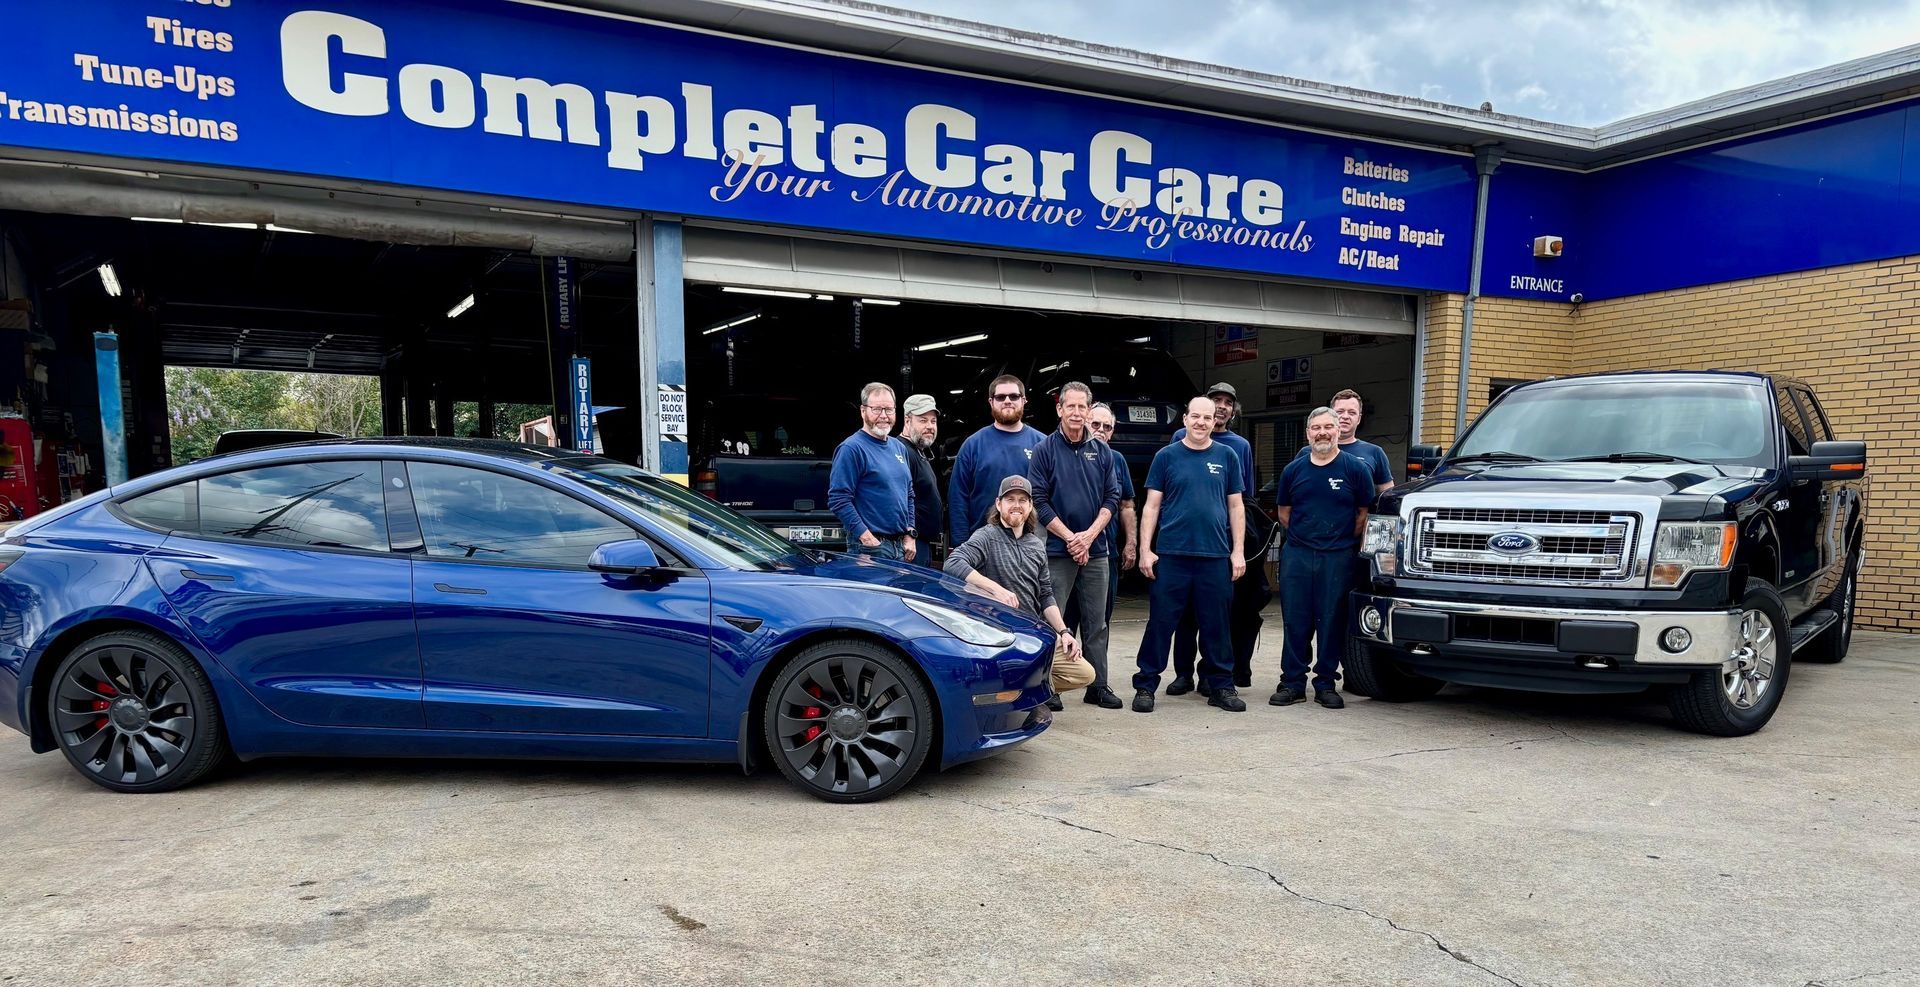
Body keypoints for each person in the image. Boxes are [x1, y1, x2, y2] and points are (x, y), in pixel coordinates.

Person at [1131, 396, 1248, 714]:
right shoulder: (1166, 457)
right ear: (1185, 419)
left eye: (1207, 417)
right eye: (1195, 416)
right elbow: (1151, 506)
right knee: (1161, 624)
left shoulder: (1227, 456)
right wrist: (1146, 550)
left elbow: (1236, 507)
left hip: (1214, 557)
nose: (1200, 422)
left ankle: (1221, 686)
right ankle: (1145, 685)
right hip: (1172, 556)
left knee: (1217, 626)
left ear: (1215, 421)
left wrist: (1238, 552)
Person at [945, 475, 1096, 703]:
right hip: (1000, 633)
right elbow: (953, 563)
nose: (1017, 505)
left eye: (1023, 500)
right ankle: (1021, 696)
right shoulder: (986, 536)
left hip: (1033, 631)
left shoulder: (1035, 544)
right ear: (999, 504)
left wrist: (1064, 632)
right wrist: (996, 590)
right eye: (1010, 499)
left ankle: (1026, 694)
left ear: (1030, 505)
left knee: (1085, 674)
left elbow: (1045, 594)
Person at [1271, 406, 1377, 710]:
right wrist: (1308, 541)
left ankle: (1326, 683)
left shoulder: (1355, 469)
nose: (1322, 433)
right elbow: (1284, 513)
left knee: (1332, 620)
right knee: (1296, 620)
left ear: (1337, 431)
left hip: (1339, 556)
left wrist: (1338, 542)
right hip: (1299, 555)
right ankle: (1292, 683)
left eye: (1328, 427)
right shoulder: (1294, 470)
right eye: (1316, 428)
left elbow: (1363, 515)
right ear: (1308, 433)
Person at [1168, 382, 1270, 694]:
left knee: (1218, 613)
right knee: (1186, 613)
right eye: (1216, 400)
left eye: (1227, 402)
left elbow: (1243, 500)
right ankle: (1183, 674)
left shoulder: (1239, 446)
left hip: (1221, 544)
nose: (1222, 406)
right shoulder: (1178, 441)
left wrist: (1238, 546)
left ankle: (1211, 675)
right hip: (1185, 541)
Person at [1029, 382, 1124, 710]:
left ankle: (1098, 685)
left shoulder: (1103, 451)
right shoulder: (1044, 450)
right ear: (1060, 409)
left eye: (1082, 407)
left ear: (1088, 408)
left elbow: (1113, 496)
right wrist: (1071, 538)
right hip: (1057, 552)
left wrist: (1089, 537)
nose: (1076, 413)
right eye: (1070, 407)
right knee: (1052, 622)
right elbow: (1038, 501)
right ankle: (1047, 686)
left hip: (1096, 552)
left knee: (1098, 623)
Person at [948, 374, 1045, 542]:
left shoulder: (1042, 444)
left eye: (1014, 396)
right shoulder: (973, 445)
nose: (1007, 400)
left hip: (1029, 545)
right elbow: (958, 498)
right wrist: (961, 545)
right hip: (982, 545)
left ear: (1024, 401)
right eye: (1000, 397)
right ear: (991, 402)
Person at [826, 382, 917, 562]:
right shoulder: (851, 449)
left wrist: (910, 533)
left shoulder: (899, 448)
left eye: (889, 409)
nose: (884, 416)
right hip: (869, 548)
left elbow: (909, 495)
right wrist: (866, 537)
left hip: (900, 547)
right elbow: (838, 499)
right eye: (877, 409)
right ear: (863, 411)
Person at [1293, 387, 1394, 495]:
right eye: (1340, 412)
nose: (1345, 416)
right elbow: (1293, 493)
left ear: (1359, 419)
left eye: (1352, 412)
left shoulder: (1375, 452)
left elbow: (1387, 496)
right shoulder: (1306, 453)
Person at [899, 393, 945, 569]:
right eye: (923, 420)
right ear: (907, 420)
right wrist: (908, 534)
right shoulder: (901, 451)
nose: (930, 426)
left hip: (922, 543)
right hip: (910, 545)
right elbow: (900, 499)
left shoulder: (918, 451)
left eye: (933, 421)